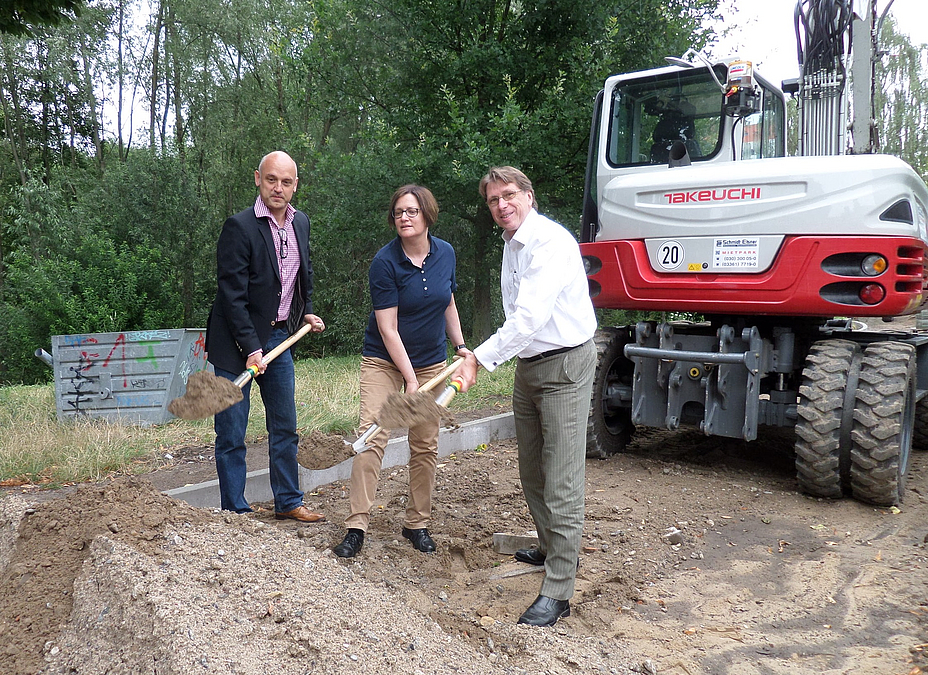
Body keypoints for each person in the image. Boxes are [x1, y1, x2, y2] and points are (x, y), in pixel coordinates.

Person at [457, 166, 597, 627]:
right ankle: (550, 545)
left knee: (561, 477)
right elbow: (519, 318)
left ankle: (559, 587)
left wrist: (476, 358)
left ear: (529, 196)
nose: (502, 205)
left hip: (566, 365)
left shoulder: (550, 243)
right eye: (493, 200)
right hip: (530, 367)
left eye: (509, 195)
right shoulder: (510, 245)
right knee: (532, 468)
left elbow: (529, 318)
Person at [333, 184, 469, 558]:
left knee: (425, 445)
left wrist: (459, 346)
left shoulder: (446, 254)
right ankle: (356, 526)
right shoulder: (385, 262)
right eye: (398, 213)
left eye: (411, 211)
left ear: (427, 214)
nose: (404, 218)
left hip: (432, 366)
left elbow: (448, 301)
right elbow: (387, 328)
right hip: (385, 364)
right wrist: (409, 380)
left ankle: (416, 523)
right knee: (371, 438)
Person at [205, 150, 326, 521]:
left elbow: (297, 277)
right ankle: (235, 511)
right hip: (233, 346)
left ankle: (288, 501)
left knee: (285, 426)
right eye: (271, 179)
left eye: (286, 182)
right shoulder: (239, 227)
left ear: (295, 186)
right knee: (232, 433)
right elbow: (232, 296)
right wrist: (251, 347)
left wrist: (304, 309)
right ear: (258, 178)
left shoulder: (300, 223)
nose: (278, 188)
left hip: (278, 339)